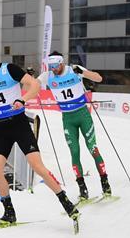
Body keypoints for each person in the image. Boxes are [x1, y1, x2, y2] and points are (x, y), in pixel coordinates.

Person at [0, 44, 79, 225]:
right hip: (2, 127)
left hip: (19, 124)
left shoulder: (9, 69)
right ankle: (9, 212)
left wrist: (23, 99)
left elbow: (34, 84)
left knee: (37, 166)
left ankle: (66, 203)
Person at [38, 51, 112, 200]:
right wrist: (29, 78)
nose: (53, 69)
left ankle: (105, 183)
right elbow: (32, 85)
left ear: (62, 63)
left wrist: (83, 73)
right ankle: (82, 189)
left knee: (92, 148)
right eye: (51, 66)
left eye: (56, 65)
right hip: (67, 118)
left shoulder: (73, 69)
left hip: (83, 115)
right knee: (74, 152)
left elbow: (98, 78)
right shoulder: (47, 76)